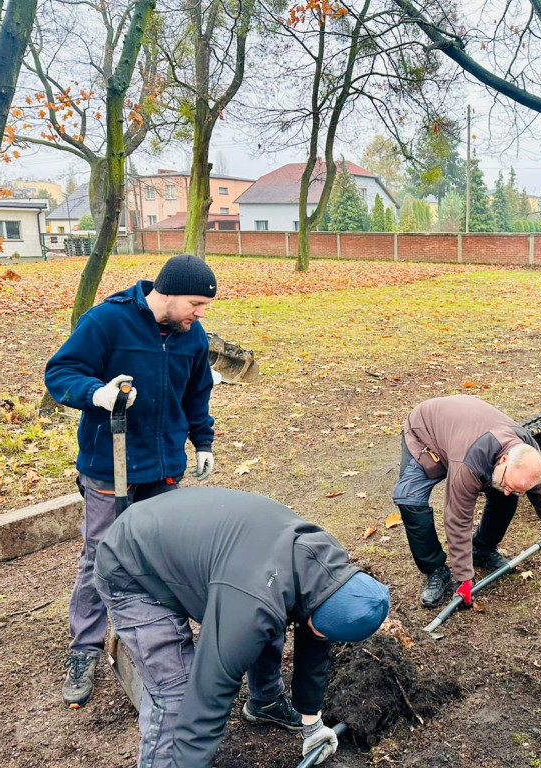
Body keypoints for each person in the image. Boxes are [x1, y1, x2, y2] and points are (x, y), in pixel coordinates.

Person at [95, 487, 390, 768]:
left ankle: (265, 702)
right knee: (176, 695)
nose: (319, 637)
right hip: (131, 566)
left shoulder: (326, 569)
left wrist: (311, 722)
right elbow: (208, 697)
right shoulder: (251, 605)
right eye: (321, 631)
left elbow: (314, 641)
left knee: (272, 618)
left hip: (193, 546)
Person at [44, 253, 218, 708]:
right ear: (168, 293)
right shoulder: (107, 321)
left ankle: (158, 640)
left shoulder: (191, 336)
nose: (201, 314)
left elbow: (197, 393)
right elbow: (60, 372)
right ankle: (84, 648)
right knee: (101, 555)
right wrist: (96, 393)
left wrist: (202, 442)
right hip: (110, 464)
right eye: (196, 304)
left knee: (159, 555)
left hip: (162, 467)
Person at [392, 395, 541, 609]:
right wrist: (464, 579)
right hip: (426, 434)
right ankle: (435, 570)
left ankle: (482, 549)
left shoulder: (527, 453)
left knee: (505, 493)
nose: (509, 490)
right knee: (410, 500)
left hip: (461, 436)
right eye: (508, 482)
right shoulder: (470, 463)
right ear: (504, 460)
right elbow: (458, 519)